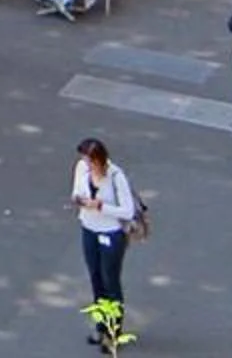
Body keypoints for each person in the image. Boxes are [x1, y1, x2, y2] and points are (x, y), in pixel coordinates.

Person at [71, 137, 139, 346]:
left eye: (90, 161)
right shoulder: (81, 168)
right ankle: (100, 326)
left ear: (100, 159)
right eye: (84, 159)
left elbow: (128, 211)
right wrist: (79, 201)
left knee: (110, 281)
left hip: (110, 233)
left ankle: (113, 332)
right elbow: (76, 192)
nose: (86, 164)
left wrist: (101, 206)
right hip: (89, 229)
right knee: (96, 279)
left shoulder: (116, 176)